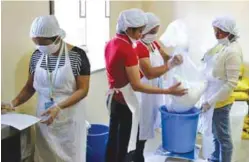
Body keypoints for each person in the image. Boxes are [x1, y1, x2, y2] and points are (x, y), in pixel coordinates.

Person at [1, 15, 90, 162]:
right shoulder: (37, 56)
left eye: (43, 43)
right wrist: (12, 103)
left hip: (69, 115)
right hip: (44, 116)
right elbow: (30, 87)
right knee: (45, 155)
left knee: (70, 156)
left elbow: (83, 90)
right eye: (36, 43)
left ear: (56, 37)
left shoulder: (77, 56)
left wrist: (59, 107)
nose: (40, 47)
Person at [104, 8, 187, 162]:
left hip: (115, 97)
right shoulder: (129, 49)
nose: (141, 35)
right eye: (139, 31)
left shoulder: (112, 42)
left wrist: (174, 58)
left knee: (115, 139)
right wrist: (168, 90)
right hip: (126, 101)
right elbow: (137, 84)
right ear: (129, 29)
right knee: (127, 143)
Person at [132, 12, 183, 162]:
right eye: (152, 31)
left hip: (154, 91)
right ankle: (137, 156)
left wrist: (175, 57)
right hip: (144, 92)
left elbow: (165, 57)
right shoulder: (139, 47)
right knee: (141, 127)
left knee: (148, 123)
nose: (155, 35)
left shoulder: (153, 44)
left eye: (156, 31)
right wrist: (170, 65)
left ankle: (139, 151)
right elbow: (149, 73)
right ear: (144, 29)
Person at [201, 16, 243, 162]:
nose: (217, 35)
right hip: (213, 97)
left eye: (220, 32)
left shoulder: (233, 52)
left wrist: (210, 101)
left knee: (224, 139)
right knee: (216, 134)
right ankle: (214, 158)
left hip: (221, 101)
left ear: (229, 32)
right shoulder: (222, 46)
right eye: (215, 31)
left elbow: (231, 84)